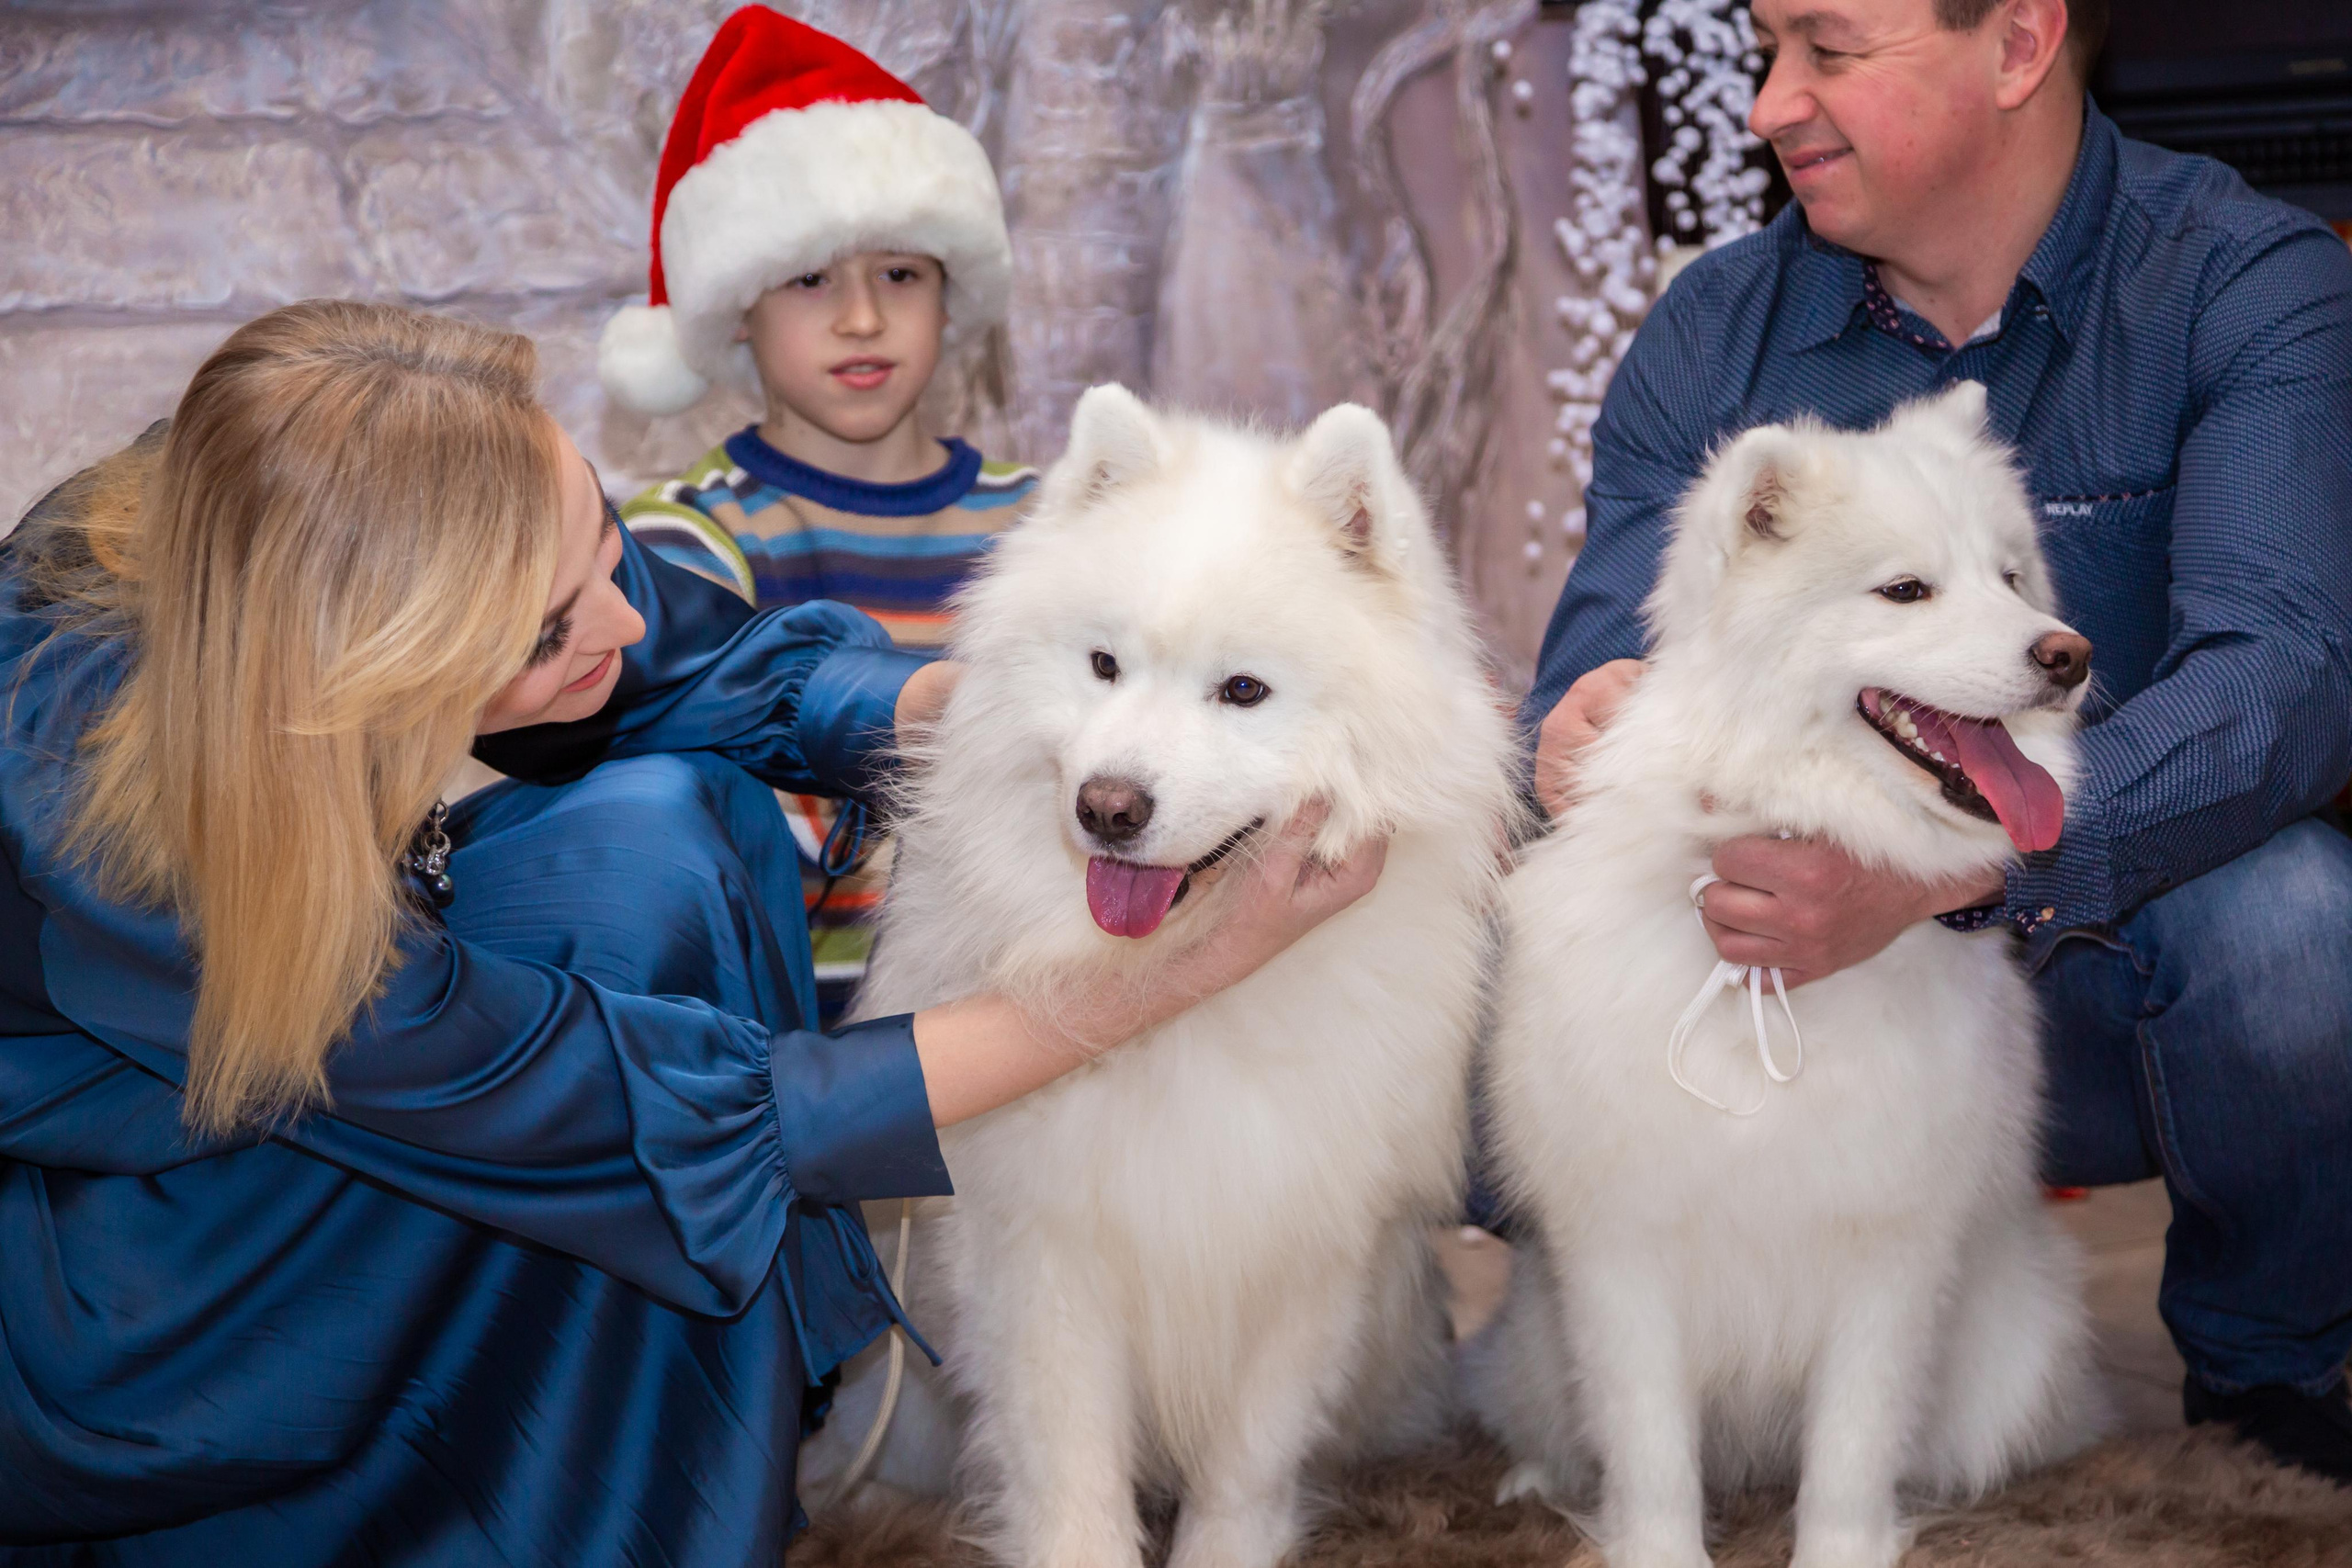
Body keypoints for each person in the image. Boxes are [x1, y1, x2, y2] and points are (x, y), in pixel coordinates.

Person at [0, 300, 1382, 1563]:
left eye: (604, 543)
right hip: (153, 1288)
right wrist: (1163, 976)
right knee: (640, 1065)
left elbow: (692, 662)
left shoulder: (289, 496)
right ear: (370, 664)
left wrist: (1044, 697)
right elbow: (625, 1104)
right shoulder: (114, 820)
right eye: (546, 630)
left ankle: (656, 1462)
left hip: (376, 1059)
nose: (617, 615)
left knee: (669, 827)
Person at [1523, 0, 2352, 1483]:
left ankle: (2265, 1376)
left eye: (1828, 50)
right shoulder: (1714, 331)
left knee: (2294, 922)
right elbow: (1597, 668)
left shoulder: (2242, 283)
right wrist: (1580, 727)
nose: (1770, 104)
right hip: (1761, 983)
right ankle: (1693, 1363)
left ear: (2019, 45)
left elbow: (2281, 682)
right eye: (1766, 49)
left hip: (2093, 988)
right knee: (1473, 961)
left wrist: (1947, 877)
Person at [601, 8, 1035, 1014]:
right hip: (780, 1035)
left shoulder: (1042, 522)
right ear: (735, 313)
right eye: (809, 279)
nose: (862, 318)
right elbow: (690, 815)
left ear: (952, 294)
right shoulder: (689, 537)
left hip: (1020, 1016)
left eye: (900, 273)